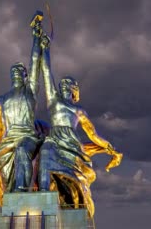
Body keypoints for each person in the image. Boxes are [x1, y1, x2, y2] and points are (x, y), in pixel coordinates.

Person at [37, 30, 122, 218]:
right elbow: (47, 73)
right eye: (63, 83)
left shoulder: (80, 110)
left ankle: (72, 203)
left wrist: (109, 147)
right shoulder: (54, 101)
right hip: (55, 138)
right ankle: (43, 196)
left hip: (72, 144)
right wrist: (46, 50)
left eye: (69, 83)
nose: (65, 84)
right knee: (45, 152)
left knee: (74, 179)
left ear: (75, 90)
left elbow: (93, 135)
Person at [0, 11, 44, 206]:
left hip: (27, 137)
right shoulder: (2, 99)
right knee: (7, 177)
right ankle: (13, 201)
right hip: (7, 141)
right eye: (13, 70)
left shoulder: (30, 90)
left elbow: (35, 62)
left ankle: (23, 192)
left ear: (25, 75)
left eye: (20, 70)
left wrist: (35, 37)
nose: (17, 71)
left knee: (22, 151)